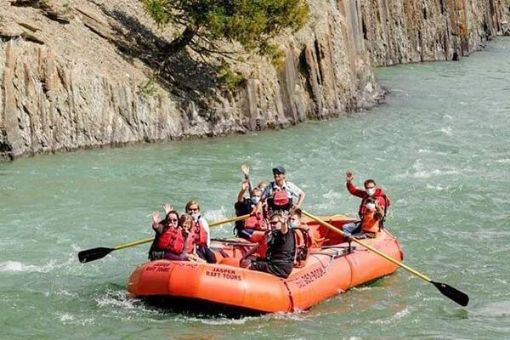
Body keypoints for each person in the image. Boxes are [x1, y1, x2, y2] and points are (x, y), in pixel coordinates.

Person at [247, 212, 296, 278]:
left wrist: (283, 223)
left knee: (247, 264)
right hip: (274, 263)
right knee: (250, 258)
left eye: (275, 223)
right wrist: (246, 255)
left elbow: (284, 231)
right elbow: (260, 245)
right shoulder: (273, 234)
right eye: (271, 223)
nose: (273, 225)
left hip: (278, 267)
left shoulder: (285, 233)